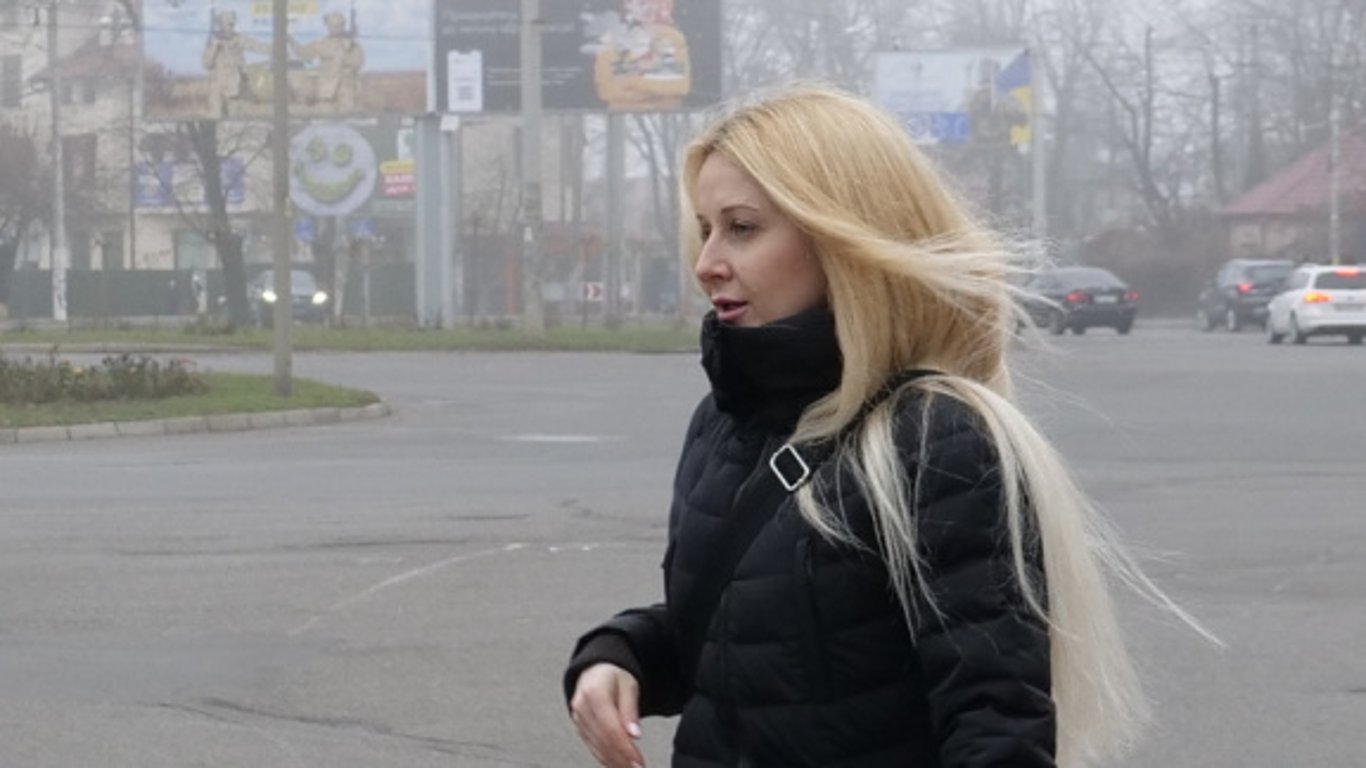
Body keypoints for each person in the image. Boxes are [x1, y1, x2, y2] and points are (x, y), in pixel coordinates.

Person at [563, 86, 1209, 767]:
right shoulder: (726, 422)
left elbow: (996, 723)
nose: (706, 263)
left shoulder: (935, 440)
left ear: (841, 236)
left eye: (742, 228)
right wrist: (621, 654)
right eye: (706, 229)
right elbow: (745, 634)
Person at [593, 0, 691, 111]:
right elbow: (606, 91)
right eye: (642, 3)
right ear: (628, 4)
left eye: (653, 3)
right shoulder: (611, 40)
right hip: (623, 117)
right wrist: (654, 89)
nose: (649, 8)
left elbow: (680, 86)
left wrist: (630, 81)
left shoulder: (673, 38)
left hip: (665, 117)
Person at [289, 11, 366, 113]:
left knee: (347, 113)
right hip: (326, 91)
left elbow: (358, 62)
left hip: (346, 90)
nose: (333, 28)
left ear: (342, 26)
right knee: (323, 114)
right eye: (331, 25)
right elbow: (302, 52)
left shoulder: (352, 45)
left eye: (337, 25)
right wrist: (290, 40)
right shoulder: (323, 44)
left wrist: (347, 55)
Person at [201, 10, 270, 118]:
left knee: (234, 119)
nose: (231, 27)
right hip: (217, 89)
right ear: (221, 25)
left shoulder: (239, 39)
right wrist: (214, 47)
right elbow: (206, 64)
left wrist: (276, 47)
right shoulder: (213, 41)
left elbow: (258, 46)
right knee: (215, 117)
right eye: (228, 24)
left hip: (234, 87)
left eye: (232, 24)